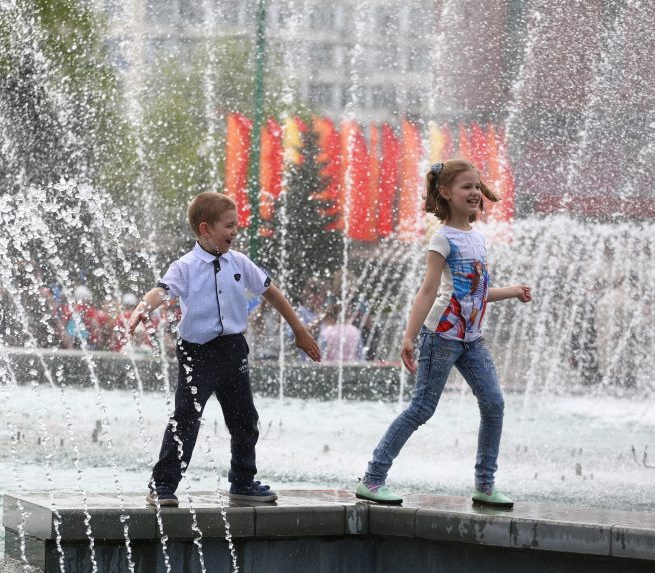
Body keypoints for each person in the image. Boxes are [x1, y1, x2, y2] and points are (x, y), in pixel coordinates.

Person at [355, 159, 532, 508]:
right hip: (442, 336)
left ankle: (485, 484)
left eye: (477, 186)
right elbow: (428, 291)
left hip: (472, 339)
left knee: (494, 404)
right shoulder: (442, 239)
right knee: (421, 408)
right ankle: (373, 479)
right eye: (467, 186)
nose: (475, 192)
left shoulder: (478, 239)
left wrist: (512, 290)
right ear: (446, 193)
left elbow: (476, 292)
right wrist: (409, 336)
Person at [129, 192, 321, 507]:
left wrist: (299, 330)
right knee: (186, 417)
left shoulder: (239, 262)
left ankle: (242, 482)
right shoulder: (186, 266)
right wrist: (142, 307)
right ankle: (162, 485)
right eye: (228, 226)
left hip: (233, 349)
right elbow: (161, 291)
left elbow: (271, 292)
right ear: (205, 229)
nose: (234, 232)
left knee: (245, 418)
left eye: (235, 225)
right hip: (197, 352)